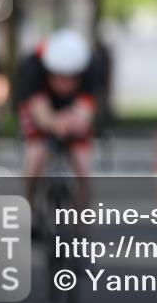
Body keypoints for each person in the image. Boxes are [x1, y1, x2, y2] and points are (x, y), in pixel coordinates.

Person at [17, 29, 97, 212]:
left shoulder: (90, 68)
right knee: (35, 158)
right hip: (42, 107)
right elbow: (40, 113)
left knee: (83, 167)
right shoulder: (32, 67)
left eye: (71, 78)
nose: (65, 84)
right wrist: (54, 123)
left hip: (71, 110)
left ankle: (82, 223)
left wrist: (74, 122)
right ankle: (29, 207)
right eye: (59, 77)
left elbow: (85, 111)